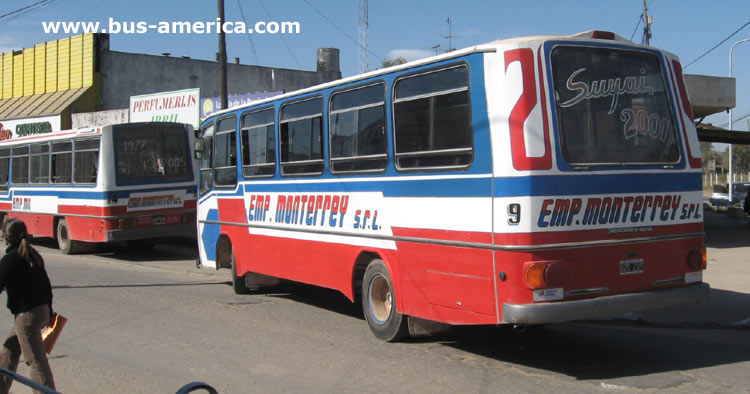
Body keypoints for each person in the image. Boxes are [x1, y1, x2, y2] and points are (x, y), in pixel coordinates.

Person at [0, 218, 55, 393]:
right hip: (42, 311)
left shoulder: (10, 259)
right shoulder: (32, 254)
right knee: (9, 351)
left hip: (27, 317)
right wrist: (50, 312)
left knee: (35, 361)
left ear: (6, 238)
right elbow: (47, 286)